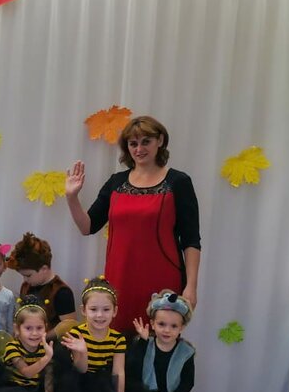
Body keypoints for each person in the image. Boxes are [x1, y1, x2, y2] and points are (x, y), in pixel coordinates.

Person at [64, 115, 201, 334]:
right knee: (117, 344)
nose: (139, 149)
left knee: (158, 343)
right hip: (119, 280)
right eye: (133, 143)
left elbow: (191, 240)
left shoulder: (178, 182)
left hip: (163, 281)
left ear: (160, 141)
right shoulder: (116, 182)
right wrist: (72, 197)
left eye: (146, 141)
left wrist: (191, 287)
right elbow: (87, 227)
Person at [6, 232, 76, 339]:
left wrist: (42, 337)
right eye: (23, 276)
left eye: (28, 275)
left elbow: (69, 326)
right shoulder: (26, 286)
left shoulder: (62, 292)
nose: (25, 280)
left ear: (44, 269)